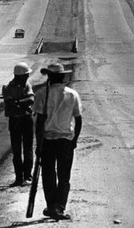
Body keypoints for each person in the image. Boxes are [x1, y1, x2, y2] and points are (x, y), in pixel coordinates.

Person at [34, 63, 82, 220]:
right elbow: (78, 119)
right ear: (62, 77)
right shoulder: (72, 94)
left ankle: (51, 205)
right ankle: (59, 207)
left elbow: (40, 121)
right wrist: (74, 139)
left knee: (48, 175)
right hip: (65, 140)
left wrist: (38, 144)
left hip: (47, 140)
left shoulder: (42, 94)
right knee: (64, 176)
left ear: (50, 77)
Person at [2, 62, 35, 187]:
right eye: (26, 75)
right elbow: (11, 104)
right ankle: (19, 178)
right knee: (16, 151)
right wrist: (23, 102)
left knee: (28, 149)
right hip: (16, 120)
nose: (27, 77)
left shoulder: (26, 85)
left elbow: (31, 100)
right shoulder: (7, 87)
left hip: (25, 119)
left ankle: (27, 176)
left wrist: (17, 102)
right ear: (20, 76)